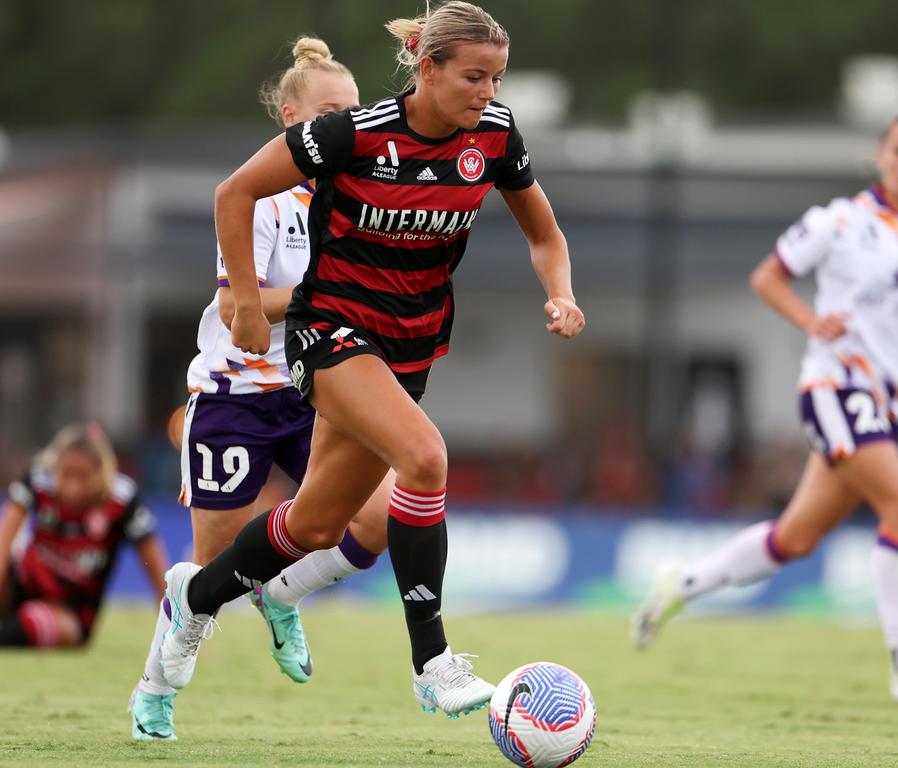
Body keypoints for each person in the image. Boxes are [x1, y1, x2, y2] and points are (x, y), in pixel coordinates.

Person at [152, 0, 584, 720]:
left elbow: (545, 234)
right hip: (331, 331)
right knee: (426, 458)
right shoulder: (351, 134)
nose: (488, 93)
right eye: (474, 77)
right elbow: (236, 191)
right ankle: (433, 663)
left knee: (316, 525)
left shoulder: (498, 138)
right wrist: (252, 306)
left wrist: (561, 294)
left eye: (497, 78)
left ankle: (194, 598)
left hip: (411, 344)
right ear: (428, 68)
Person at [633, 110, 898, 702]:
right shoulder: (840, 221)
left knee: (793, 540)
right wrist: (811, 321)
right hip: (836, 389)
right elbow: (768, 277)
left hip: (889, 405)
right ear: (881, 156)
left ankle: (680, 584)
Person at [129, 37, 389, 741]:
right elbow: (244, 307)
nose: (344, 124)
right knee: (209, 571)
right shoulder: (262, 194)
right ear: (290, 116)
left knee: (383, 516)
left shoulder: (361, 196)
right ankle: (155, 688)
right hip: (237, 391)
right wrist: (324, 293)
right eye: (330, 111)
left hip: (316, 387)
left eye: (353, 112)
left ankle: (283, 595)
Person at [0, 423, 167, 647]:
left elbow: (158, 574)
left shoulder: (122, 501)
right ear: (55, 466)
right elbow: (4, 543)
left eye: (83, 477)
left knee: (32, 621)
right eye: (66, 475)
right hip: (22, 587)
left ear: (101, 472)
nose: (73, 488)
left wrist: (174, 635)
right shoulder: (38, 481)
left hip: (73, 613)